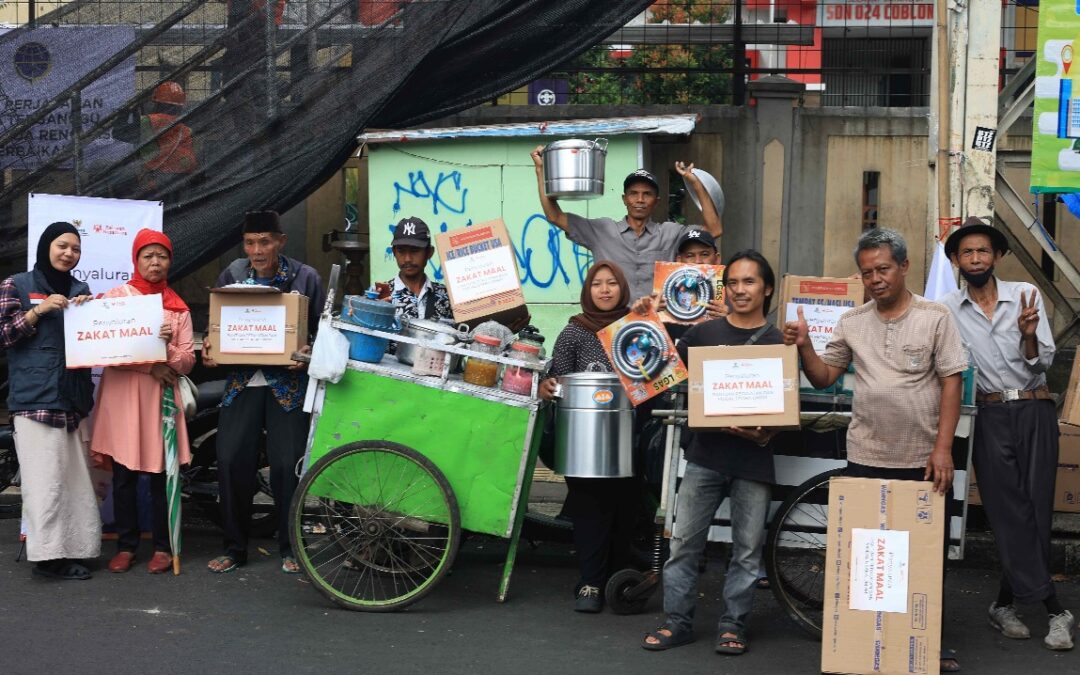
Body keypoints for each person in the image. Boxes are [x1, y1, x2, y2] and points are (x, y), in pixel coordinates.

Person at [783, 227, 968, 672]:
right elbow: (824, 377)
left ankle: (924, 645)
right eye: (867, 273)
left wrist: (943, 449)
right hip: (866, 454)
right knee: (871, 557)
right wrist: (805, 346)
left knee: (922, 556)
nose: (875, 279)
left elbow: (952, 382)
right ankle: (867, 645)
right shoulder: (852, 322)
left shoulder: (935, 316)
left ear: (904, 266)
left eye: (883, 269)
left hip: (923, 458)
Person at [940, 218, 1075, 650]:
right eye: (967, 252)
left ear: (997, 256)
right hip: (989, 413)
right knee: (1005, 510)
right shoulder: (945, 309)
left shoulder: (1024, 295)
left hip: (1035, 408)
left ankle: (1003, 604)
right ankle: (1055, 610)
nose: (976, 258)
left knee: (1035, 508)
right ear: (956, 260)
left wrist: (1029, 335)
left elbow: (1041, 363)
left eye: (983, 250)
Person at [638, 250, 781, 655]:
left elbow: (785, 403)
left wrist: (766, 433)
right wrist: (645, 320)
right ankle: (677, 622)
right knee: (684, 544)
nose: (740, 290)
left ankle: (734, 625)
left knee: (747, 553)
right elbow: (658, 370)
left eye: (749, 281)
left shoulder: (778, 341)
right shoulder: (702, 334)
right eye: (732, 282)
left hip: (754, 460)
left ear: (767, 289)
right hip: (704, 457)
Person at [202, 210, 325, 574]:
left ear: (280, 242)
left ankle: (291, 548)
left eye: (265, 242)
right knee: (230, 460)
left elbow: (325, 332)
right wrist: (210, 345)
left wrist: (309, 354)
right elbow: (216, 326)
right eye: (250, 243)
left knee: (288, 464)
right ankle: (234, 548)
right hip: (243, 381)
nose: (257, 250)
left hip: (287, 384)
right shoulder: (233, 275)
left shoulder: (305, 278)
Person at [91, 229, 195, 575]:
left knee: (159, 475)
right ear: (135, 260)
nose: (155, 262)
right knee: (124, 475)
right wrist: (150, 365)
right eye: (148, 256)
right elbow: (105, 348)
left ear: (170, 262)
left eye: (162, 256)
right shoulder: (117, 299)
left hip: (158, 400)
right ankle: (126, 546)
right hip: (123, 397)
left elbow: (187, 361)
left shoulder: (178, 308)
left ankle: (163, 548)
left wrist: (166, 348)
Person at [537, 261, 639, 613]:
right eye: (597, 284)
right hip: (584, 442)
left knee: (626, 510)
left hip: (629, 438)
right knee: (590, 511)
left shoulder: (637, 328)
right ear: (587, 290)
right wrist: (548, 386)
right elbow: (557, 380)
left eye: (612, 283)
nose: (605, 290)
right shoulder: (574, 332)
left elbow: (656, 374)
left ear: (622, 288)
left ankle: (618, 582)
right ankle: (591, 583)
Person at [0, 222, 98, 580]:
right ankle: (48, 559)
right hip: (34, 400)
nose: (69, 253)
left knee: (75, 483)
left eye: (75, 248)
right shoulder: (16, 284)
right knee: (44, 484)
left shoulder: (81, 290)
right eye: (62, 245)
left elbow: (95, 341)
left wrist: (91, 313)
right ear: (46, 247)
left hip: (71, 399)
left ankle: (76, 549)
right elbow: (4, 335)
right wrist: (37, 312)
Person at [531, 147, 723, 300]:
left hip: (658, 326)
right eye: (633, 194)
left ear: (656, 202)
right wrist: (541, 170)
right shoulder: (602, 230)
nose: (640, 199)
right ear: (625, 199)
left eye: (647, 194)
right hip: (614, 325)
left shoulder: (670, 233)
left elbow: (714, 229)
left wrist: (694, 183)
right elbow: (555, 216)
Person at [383, 216, 452, 323]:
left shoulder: (447, 296)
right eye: (401, 251)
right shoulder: (382, 295)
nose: (407, 259)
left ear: (429, 252)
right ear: (394, 252)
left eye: (414, 250)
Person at [139, 81, 197, 194]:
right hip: (183, 179)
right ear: (180, 106)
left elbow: (147, 154)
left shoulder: (147, 121)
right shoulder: (186, 129)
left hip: (156, 180)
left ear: (157, 103)